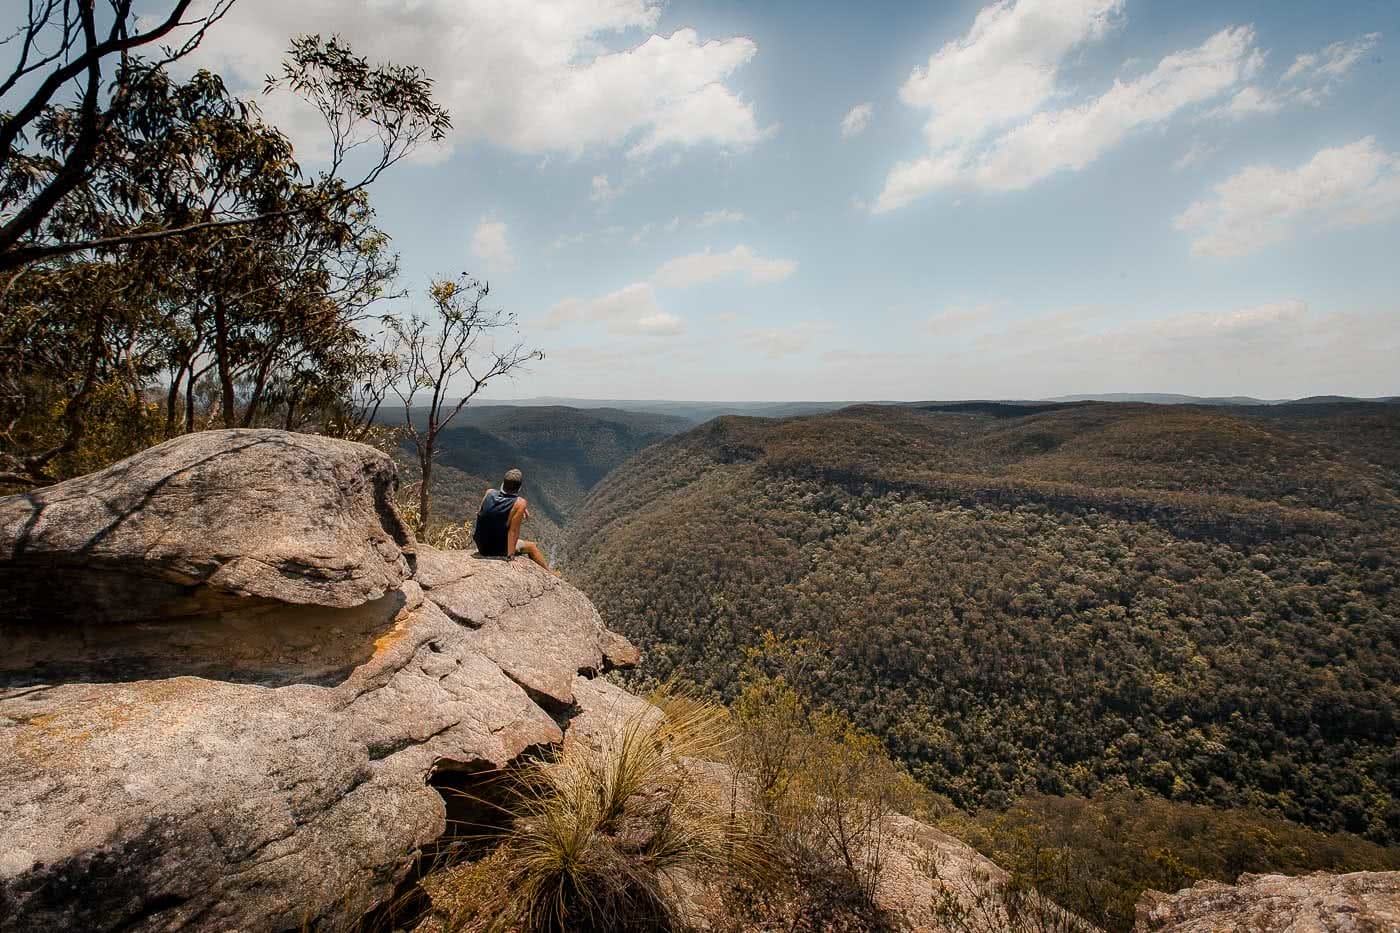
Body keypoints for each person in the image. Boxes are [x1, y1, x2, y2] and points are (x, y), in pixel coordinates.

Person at [471, 468, 551, 570]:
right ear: (520, 488)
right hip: (494, 549)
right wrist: (511, 557)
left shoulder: (489, 493)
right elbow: (513, 532)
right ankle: (550, 573)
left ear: (503, 483)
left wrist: (520, 508)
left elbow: (480, 513)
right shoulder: (520, 503)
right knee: (532, 546)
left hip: (481, 545)